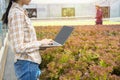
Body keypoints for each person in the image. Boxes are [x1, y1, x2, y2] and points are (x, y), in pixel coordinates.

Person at [2, 0, 53, 80]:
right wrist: (40, 43)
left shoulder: (19, 12)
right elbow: (18, 47)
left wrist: (41, 45)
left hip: (29, 65)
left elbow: (25, 42)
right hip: (27, 65)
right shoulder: (17, 14)